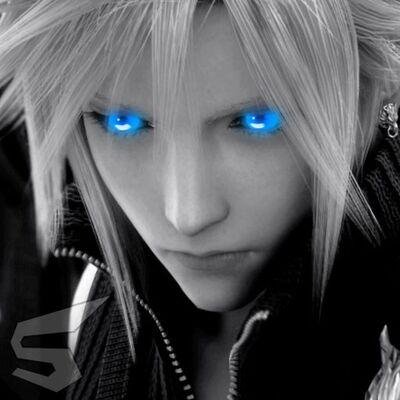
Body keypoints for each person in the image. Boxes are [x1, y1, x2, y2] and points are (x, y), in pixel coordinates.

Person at [1, 0, 400, 399]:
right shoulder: (75, 284)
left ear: (376, 84)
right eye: (123, 123)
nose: (187, 216)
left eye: (257, 121)